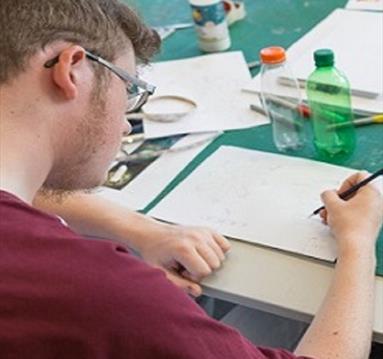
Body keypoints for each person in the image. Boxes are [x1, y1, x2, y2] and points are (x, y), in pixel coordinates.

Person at [0, 1, 382, 358]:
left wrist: (138, 227)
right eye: (130, 90)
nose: (124, 123)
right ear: (72, 70)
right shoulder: (102, 292)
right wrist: (357, 241)